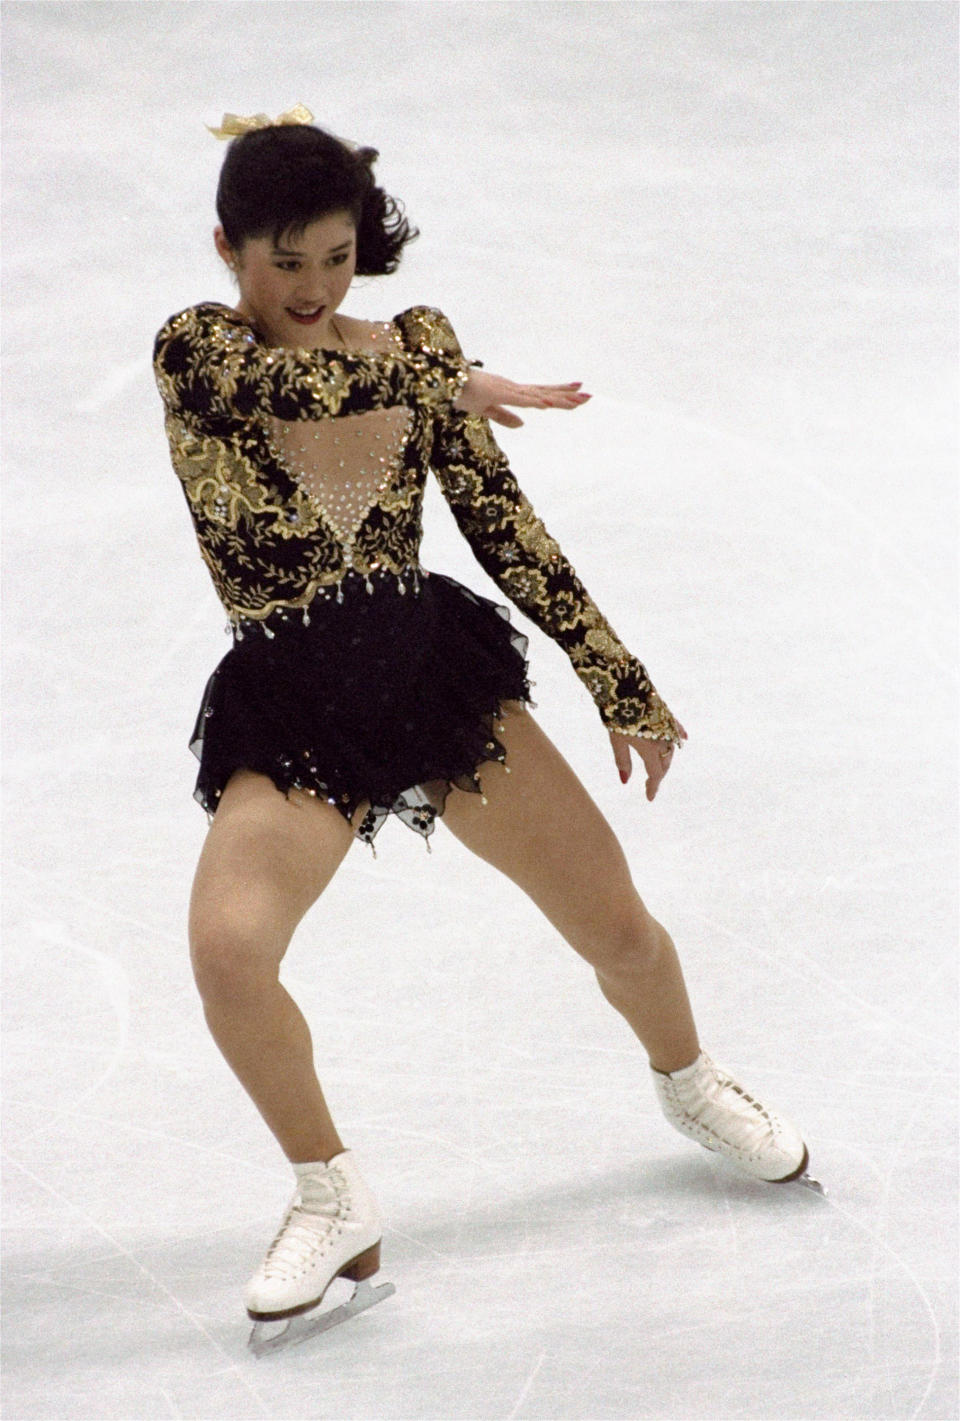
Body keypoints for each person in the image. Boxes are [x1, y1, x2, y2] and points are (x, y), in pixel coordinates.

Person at [153, 106, 813, 1346]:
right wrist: (443, 377)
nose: (309, 285)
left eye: (335, 255)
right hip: (296, 700)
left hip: (430, 672)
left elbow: (501, 522)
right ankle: (330, 1194)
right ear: (228, 247)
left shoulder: (416, 346)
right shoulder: (196, 349)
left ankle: (690, 1081)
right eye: (281, 258)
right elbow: (291, 378)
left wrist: (614, 668)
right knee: (229, 950)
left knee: (619, 927)